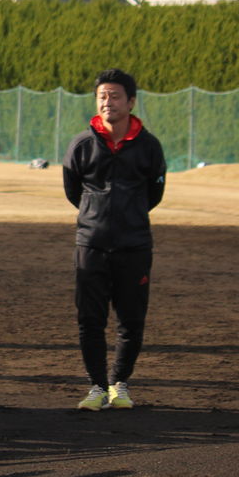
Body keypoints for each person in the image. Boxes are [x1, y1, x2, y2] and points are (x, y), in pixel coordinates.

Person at [63, 68, 166, 411]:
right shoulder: (81, 144)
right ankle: (95, 386)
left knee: (131, 321)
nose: (108, 102)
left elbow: (155, 192)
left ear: (131, 101)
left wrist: (128, 218)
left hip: (134, 246)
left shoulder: (149, 147)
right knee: (90, 321)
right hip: (91, 245)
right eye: (102, 96)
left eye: (116, 96)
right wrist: (97, 216)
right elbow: (73, 191)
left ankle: (119, 384)